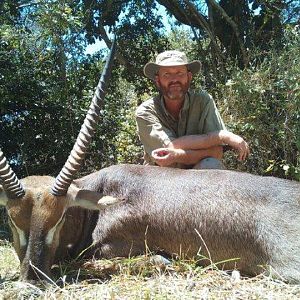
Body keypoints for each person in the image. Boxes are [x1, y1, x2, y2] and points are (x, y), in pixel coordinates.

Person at [135, 50, 250, 169]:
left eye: (180, 73)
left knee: (211, 165)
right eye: (167, 74)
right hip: (161, 178)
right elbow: (170, 148)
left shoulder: (203, 101)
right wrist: (221, 136)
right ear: (158, 81)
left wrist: (177, 155)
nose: (174, 80)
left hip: (197, 174)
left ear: (189, 77)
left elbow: (217, 152)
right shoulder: (145, 111)